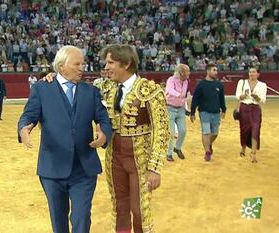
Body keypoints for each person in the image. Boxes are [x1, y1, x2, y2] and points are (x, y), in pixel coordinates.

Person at [18, 45, 112, 233]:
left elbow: (103, 118)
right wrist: (24, 128)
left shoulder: (91, 91)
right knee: (58, 221)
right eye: (77, 64)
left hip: (84, 169)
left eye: (83, 64)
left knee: (81, 217)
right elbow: (29, 115)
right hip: (52, 168)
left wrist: (104, 135)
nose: (82, 68)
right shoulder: (41, 89)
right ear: (61, 67)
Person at [99, 44, 169, 233]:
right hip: (114, 156)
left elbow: (161, 130)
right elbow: (75, 89)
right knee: (119, 206)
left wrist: (155, 168)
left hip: (140, 159)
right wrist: (54, 76)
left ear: (127, 63)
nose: (106, 67)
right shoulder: (105, 87)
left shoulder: (150, 90)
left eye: (110, 62)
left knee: (139, 209)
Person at [190, 64, 226, 162]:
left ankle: (208, 144)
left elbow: (221, 98)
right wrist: (192, 112)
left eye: (216, 70)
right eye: (214, 70)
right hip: (204, 112)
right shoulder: (201, 85)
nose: (216, 72)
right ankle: (207, 152)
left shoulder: (219, 85)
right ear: (208, 71)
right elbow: (195, 99)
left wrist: (224, 109)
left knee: (215, 133)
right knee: (206, 131)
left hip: (216, 112)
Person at [235, 67, 267, 163]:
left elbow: (263, 100)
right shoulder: (242, 82)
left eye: (254, 72)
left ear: (258, 74)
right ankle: (243, 147)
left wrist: (256, 97)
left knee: (255, 130)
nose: (251, 74)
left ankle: (253, 153)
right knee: (244, 130)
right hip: (244, 107)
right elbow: (238, 96)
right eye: (250, 72)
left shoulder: (262, 85)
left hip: (255, 109)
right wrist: (244, 95)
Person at [165, 64, 190, 161]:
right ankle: (169, 153)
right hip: (170, 108)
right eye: (187, 71)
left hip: (180, 109)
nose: (189, 73)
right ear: (181, 72)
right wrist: (178, 95)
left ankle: (177, 148)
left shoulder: (186, 82)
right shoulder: (171, 80)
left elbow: (186, 95)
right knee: (171, 133)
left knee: (183, 130)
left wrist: (186, 108)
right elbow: (169, 90)